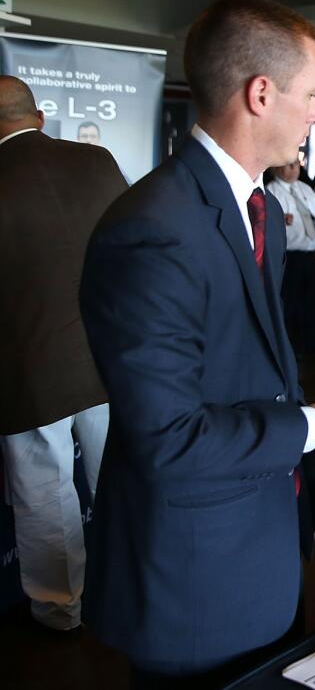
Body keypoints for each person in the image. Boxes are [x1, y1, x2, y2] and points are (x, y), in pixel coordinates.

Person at [80, 0, 315, 685]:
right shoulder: (154, 228)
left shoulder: (252, 205)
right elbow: (171, 439)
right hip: (195, 584)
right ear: (261, 94)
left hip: (256, 558)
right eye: (312, 95)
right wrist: (305, 428)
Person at [0, 76, 126, 633]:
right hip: (108, 360)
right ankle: (127, 584)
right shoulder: (97, 161)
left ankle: (61, 610)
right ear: (40, 117)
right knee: (119, 483)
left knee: (45, 497)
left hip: (28, 369)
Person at [267, 157, 315, 355]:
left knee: (311, 300)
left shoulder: (305, 189)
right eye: (289, 165)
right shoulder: (270, 191)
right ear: (275, 167)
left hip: (309, 255)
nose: (294, 169)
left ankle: (311, 343)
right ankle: (289, 347)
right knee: (289, 302)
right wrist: (279, 219)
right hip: (287, 257)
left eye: (296, 165)